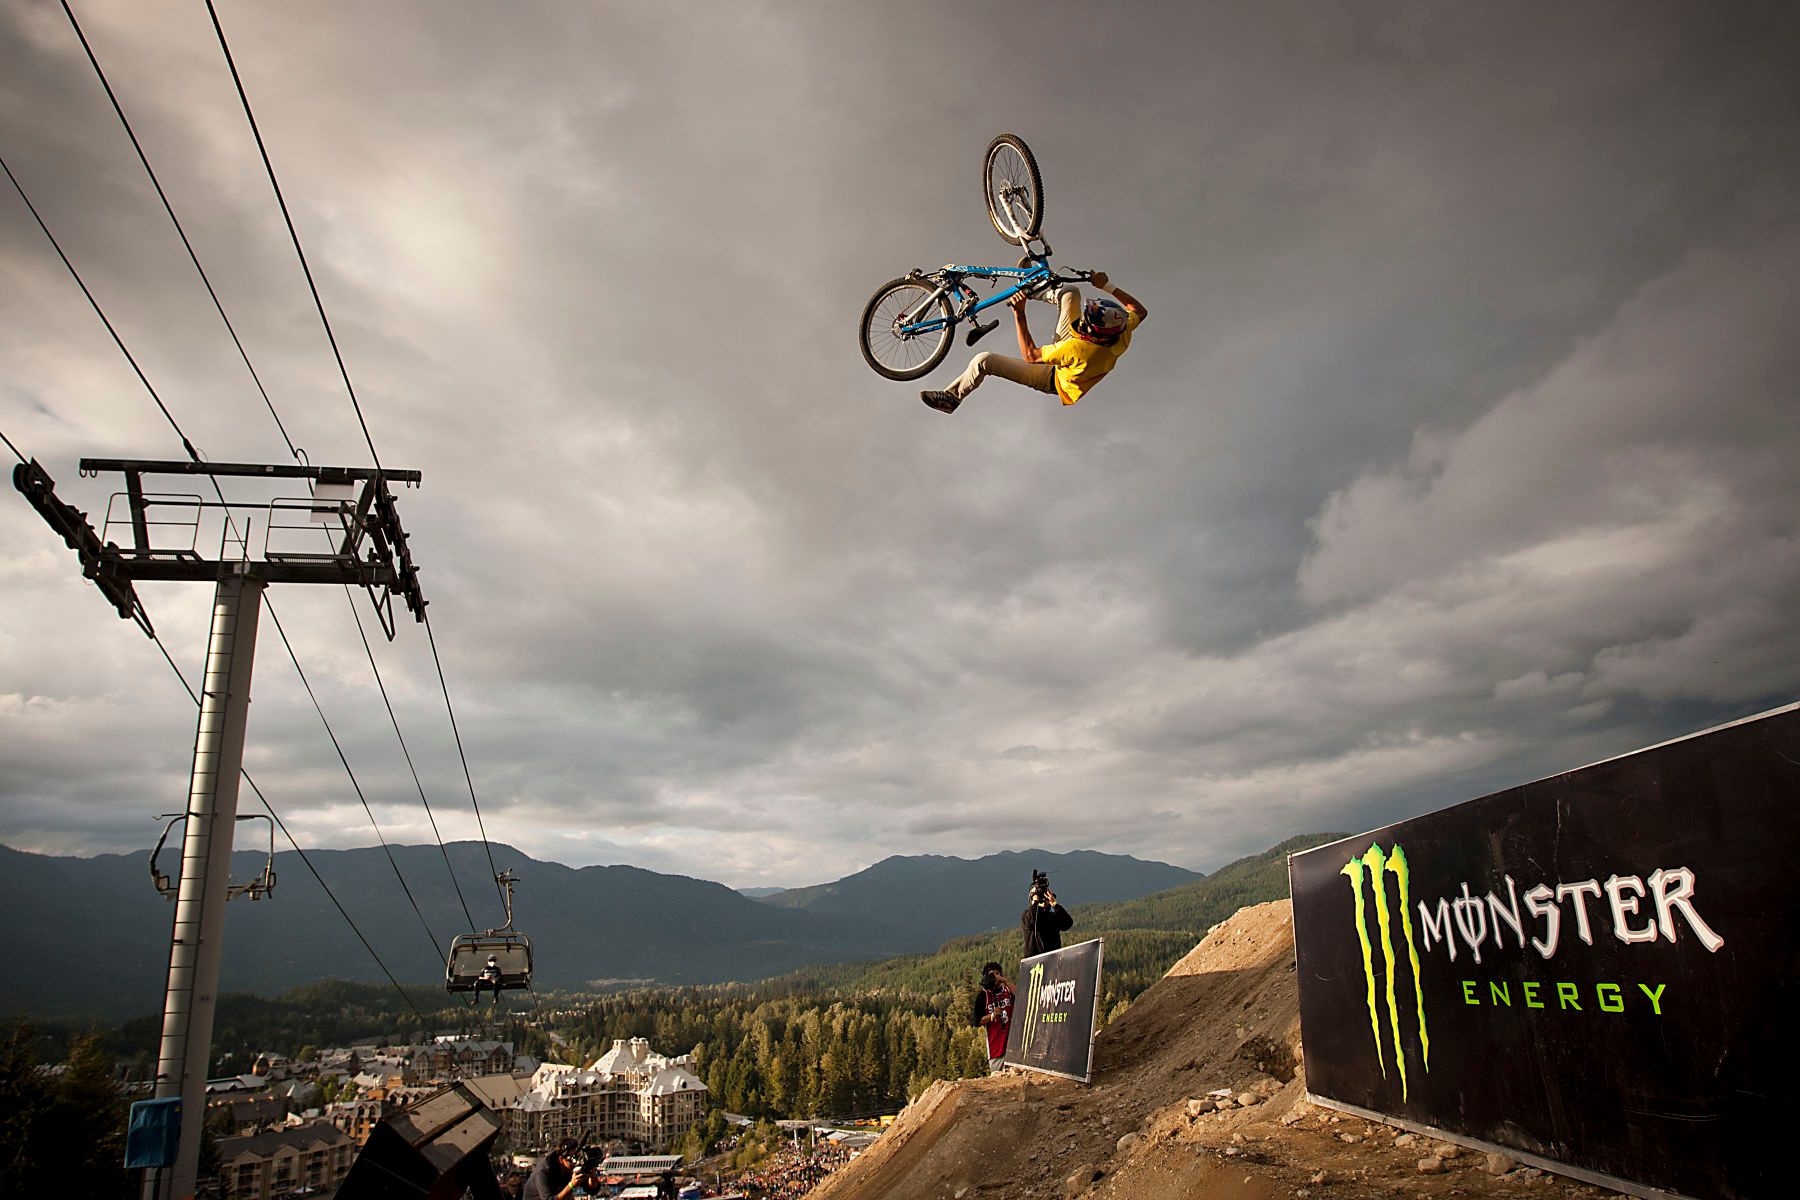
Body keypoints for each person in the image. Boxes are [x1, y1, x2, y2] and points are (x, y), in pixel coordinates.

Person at [920, 271, 1147, 414]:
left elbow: (1031, 355)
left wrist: (1019, 314)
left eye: (1086, 325)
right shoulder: (1123, 326)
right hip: (1079, 358)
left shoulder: (1078, 349)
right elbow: (1140, 311)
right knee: (1070, 292)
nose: (1081, 323)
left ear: (1097, 335)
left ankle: (952, 398)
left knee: (984, 361)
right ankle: (1031, 287)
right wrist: (1106, 286)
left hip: (1053, 378)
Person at [970, 961, 1015, 1074]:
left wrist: (1004, 981)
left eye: (997, 973)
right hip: (996, 1050)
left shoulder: (1008, 990)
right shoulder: (983, 996)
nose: (995, 977)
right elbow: (977, 1021)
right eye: (992, 974)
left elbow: (1021, 995)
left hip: (1013, 1047)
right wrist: (991, 1016)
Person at [1021, 872, 1073, 957]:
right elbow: (1030, 922)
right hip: (1034, 965)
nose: (1044, 901)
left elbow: (1067, 923)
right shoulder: (1026, 916)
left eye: (1046, 899)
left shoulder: (1052, 917)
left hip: (1052, 961)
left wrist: (1055, 904)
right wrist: (1035, 904)